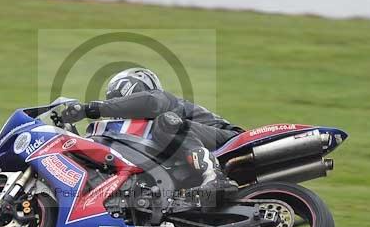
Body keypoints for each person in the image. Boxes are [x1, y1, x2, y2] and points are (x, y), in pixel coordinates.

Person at [61, 68, 242, 193]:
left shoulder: (162, 100)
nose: (121, 115)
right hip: (198, 151)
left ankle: (215, 177)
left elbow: (149, 102)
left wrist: (90, 109)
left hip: (230, 139)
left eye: (121, 104)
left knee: (165, 123)